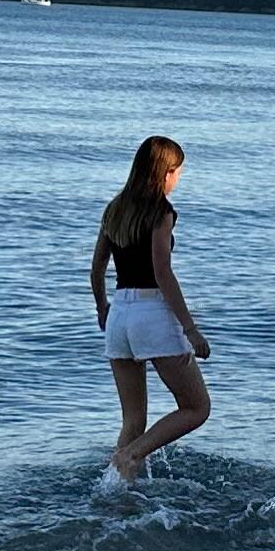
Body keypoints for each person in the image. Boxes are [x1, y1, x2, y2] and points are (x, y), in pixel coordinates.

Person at [92, 134, 210, 484]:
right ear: (165, 172)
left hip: (119, 316)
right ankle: (131, 456)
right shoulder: (162, 211)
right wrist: (190, 328)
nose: (179, 179)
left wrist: (102, 307)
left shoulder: (115, 207)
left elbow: (97, 268)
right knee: (196, 407)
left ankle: (115, 491)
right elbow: (162, 272)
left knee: (133, 420)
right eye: (178, 172)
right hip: (151, 313)